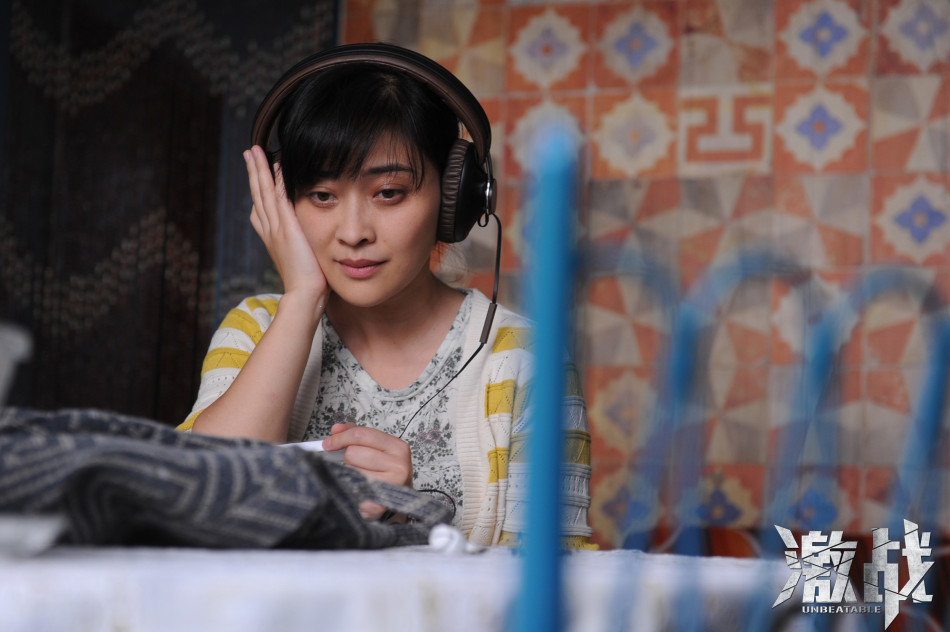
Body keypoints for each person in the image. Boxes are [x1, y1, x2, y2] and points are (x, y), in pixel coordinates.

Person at [178, 43, 592, 547]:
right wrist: (302, 300)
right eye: (321, 195)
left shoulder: (528, 361)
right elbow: (191, 505)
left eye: (389, 193)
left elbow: (557, 580)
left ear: (455, 197)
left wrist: (410, 524)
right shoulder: (255, 329)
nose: (353, 232)